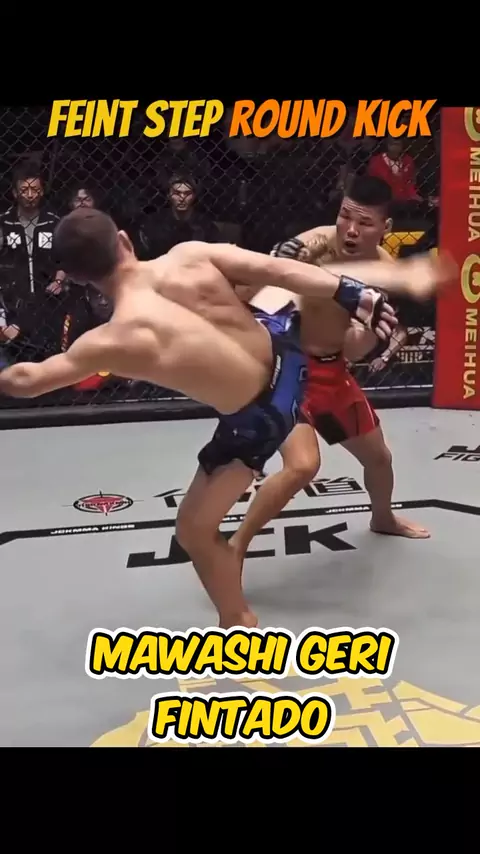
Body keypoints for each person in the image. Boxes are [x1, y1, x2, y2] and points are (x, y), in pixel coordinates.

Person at [0, 207, 454, 628]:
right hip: (292, 358)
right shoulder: (190, 256)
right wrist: (349, 291)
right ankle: (369, 283)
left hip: (261, 419)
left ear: (78, 278)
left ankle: (236, 618)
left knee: (194, 530)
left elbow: (29, 381)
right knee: (270, 283)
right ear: (124, 240)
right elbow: (277, 269)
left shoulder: (111, 340)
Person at [230, 176, 432, 571]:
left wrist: (370, 328)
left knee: (379, 458)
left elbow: (353, 350)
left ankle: (382, 518)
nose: (351, 230)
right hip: (283, 368)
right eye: (345, 217)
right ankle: (235, 547)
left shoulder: (382, 275)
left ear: (386, 228)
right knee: (303, 466)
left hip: (330, 371)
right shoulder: (314, 242)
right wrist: (275, 264)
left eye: (365, 223)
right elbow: (250, 295)